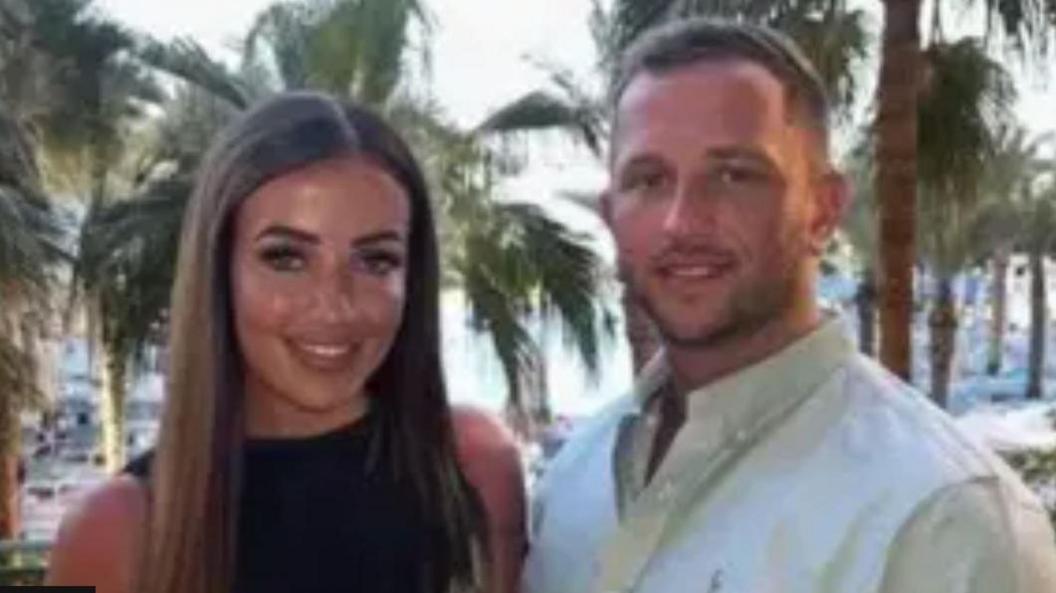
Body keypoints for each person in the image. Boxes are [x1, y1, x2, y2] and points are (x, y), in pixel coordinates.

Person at [523, 18, 1056, 593]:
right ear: (611, 213)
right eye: (648, 180)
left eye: (733, 175)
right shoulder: (574, 482)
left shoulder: (939, 519)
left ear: (823, 210)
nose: (682, 220)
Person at [46, 92, 525, 593]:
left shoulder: (471, 467)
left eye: (376, 260)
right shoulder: (119, 530)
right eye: (286, 258)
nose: (334, 305)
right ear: (219, 267)